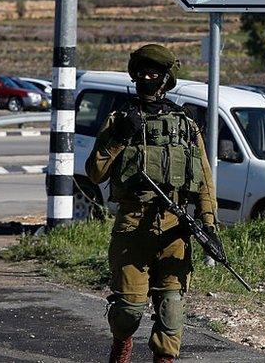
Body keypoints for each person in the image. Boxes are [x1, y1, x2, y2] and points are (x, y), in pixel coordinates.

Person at [86, 44, 217, 363]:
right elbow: (94, 172)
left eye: (154, 72)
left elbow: (204, 180)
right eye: (141, 72)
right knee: (128, 310)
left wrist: (209, 225)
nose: (147, 77)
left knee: (171, 310)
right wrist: (119, 137)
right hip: (133, 226)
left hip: (175, 228)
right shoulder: (120, 119)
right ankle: (121, 345)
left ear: (165, 78)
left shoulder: (185, 123)